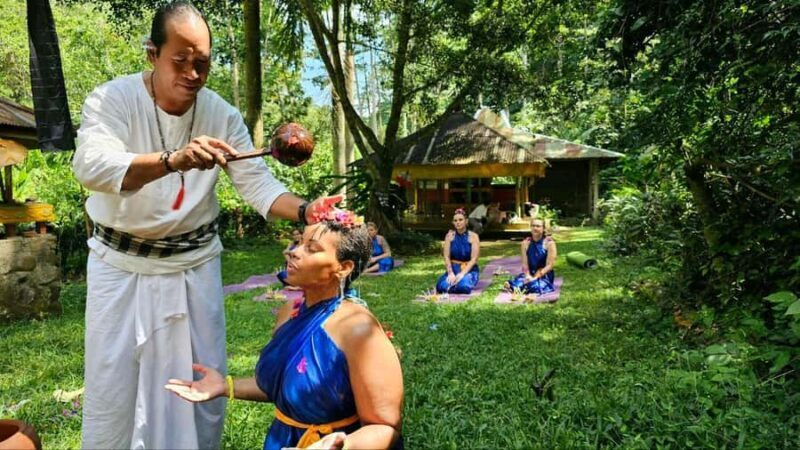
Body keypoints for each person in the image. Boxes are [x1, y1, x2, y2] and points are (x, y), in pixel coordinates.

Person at [72, 2, 341, 448]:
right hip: (117, 267)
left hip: (193, 266)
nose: (193, 73)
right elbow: (92, 168)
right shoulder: (112, 100)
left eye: (202, 64)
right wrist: (170, 160)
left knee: (197, 387)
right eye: (180, 60)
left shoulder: (221, 115)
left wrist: (305, 210)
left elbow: (258, 186)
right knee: (112, 386)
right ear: (152, 54)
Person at [165, 218, 404, 450]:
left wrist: (340, 445)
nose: (294, 252)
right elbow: (287, 388)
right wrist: (226, 386)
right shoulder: (290, 311)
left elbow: (384, 427)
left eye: (312, 249)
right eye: (300, 242)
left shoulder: (359, 328)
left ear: (343, 268)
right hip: (282, 439)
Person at [504, 218, 557, 294]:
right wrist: (528, 276)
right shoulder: (525, 243)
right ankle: (516, 286)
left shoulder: (549, 243)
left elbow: (549, 266)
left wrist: (535, 278)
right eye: (533, 226)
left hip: (544, 275)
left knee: (535, 286)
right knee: (521, 283)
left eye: (538, 226)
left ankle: (517, 287)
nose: (535, 228)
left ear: (543, 228)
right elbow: (524, 264)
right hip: (529, 273)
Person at [435, 209, 480, 294]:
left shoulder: (474, 236)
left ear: (466, 221)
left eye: (460, 220)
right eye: (455, 220)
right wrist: (450, 272)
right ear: (453, 223)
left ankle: (453, 287)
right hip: (454, 268)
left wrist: (462, 274)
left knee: (464, 286)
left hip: (468, 269)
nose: (458, 222)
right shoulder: (449, 236)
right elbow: (446, 256)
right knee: (441, 286)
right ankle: (452, 287)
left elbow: (474, 259)